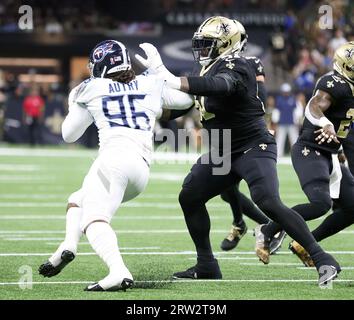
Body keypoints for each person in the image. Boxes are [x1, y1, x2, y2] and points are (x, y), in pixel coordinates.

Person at [140, 16, 341, 286]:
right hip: (223, 148)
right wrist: (147, 102)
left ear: (228, 44)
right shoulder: (209, 68)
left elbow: (221, 86)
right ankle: (207, 265)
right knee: (190, 196)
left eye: (209, 44)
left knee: (267, 200)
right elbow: (189, 105)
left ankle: (322, 258)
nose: (202, 49)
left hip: (252, 144)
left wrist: (172, 79)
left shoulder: (238, 64)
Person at [38, 40, 194, 291]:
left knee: (94, 218)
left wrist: (76, 103)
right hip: (141, 170)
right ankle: (67, 245)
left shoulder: (89, 88)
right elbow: (187, 101)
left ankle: (118, 271)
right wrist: (160, 73)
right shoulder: (150, 82)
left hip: (113, 160)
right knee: (78, 198)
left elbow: (69, 135)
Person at [257, 41, 354, 267]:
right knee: (320, 204)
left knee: (352, 207)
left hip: (330, 155)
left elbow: (346, 127)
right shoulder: (334, 82)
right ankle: (267, 230)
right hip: (310, 150)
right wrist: (325, 123)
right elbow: (314, 106)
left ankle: (303, 244)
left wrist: (340, 149)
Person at [217, 20, 274, 252]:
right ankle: (243, 222)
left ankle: (262, 225)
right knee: (225, 189)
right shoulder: (211, 63)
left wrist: (263, 123)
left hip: (246, 133)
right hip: (220, 132)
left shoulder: (250, 62)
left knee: (260, 190)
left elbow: (260, 94)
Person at [272, 83, 302, 157]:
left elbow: (297, 111)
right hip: (281, 122)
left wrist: (297, 121)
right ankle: (279, 154)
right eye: (284, 91)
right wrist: (275, 121)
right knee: (280, 138)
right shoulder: (279, 99)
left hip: (291, 122)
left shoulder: (293, 99)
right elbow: (276, 111)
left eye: (287, 91)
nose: (286, 93)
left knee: (294, 138)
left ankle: (296, 153)